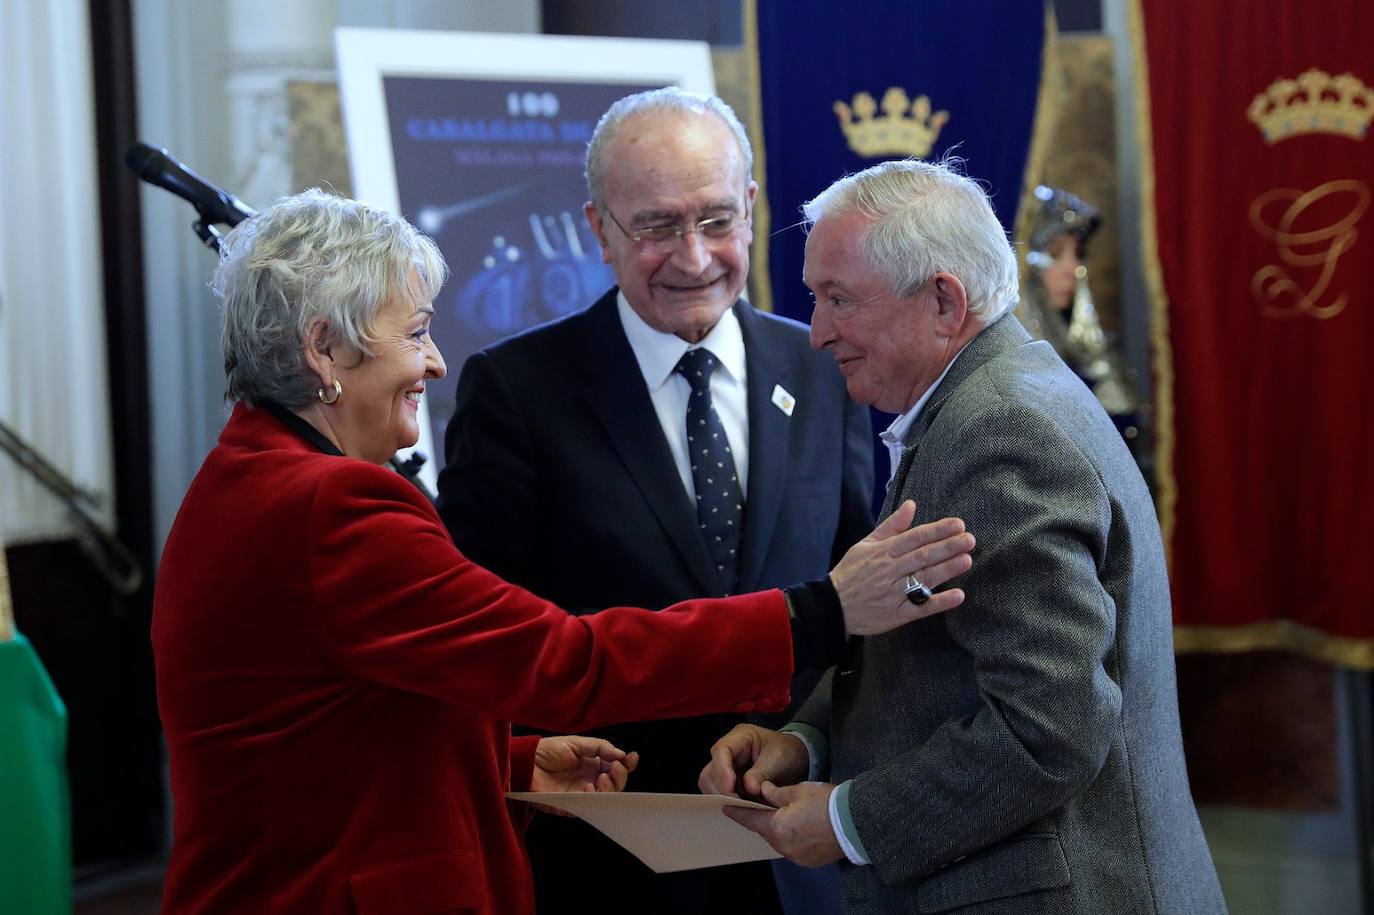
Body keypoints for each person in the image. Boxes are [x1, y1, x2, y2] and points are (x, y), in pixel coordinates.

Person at [150, 188, 975, 915]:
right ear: (325, 350)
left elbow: (319, 720)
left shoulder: (242, 474)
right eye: (416, 332)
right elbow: (561, 658)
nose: (434, 361)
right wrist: (820, 610)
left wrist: (504, 756)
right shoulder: (332, 504)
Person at [702, 159, 1226, 914]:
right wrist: (807, 739)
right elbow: (928, 650)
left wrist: (850, 821)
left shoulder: (998, 431)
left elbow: (1051, 725)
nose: (816, 333)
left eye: (838, 299)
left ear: (944, 300)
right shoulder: (991, 396)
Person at [437, 88, 877, 914]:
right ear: (598, 228)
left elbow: (861, 603)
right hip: (612, 854)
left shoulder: (826, 364)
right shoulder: (517, 391)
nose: (694, 255)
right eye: (655, 226)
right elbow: (486, 645)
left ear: (751, 209)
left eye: (716, 219)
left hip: (803, 855)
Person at [1019, 185, 1142, 445]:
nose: (1072, 268)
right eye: (1055, 254)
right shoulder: (1012, 360)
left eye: (1078, 254)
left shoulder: (1093, 353)